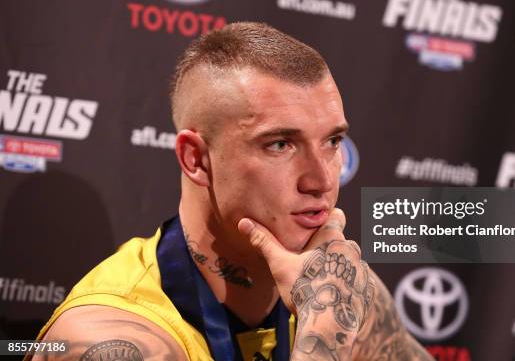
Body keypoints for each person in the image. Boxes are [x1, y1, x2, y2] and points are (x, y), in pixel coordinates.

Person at [34, 22, 433, 360]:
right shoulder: (110, 340)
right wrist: (325, 333)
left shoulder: (334, 285)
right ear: (196, 159)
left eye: (332, 142)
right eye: (280, 144)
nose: (322, 181)